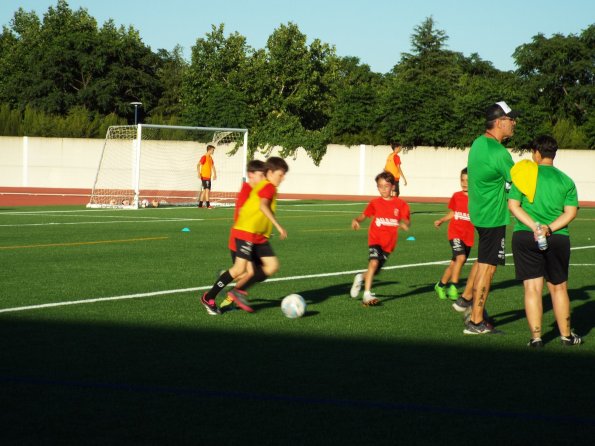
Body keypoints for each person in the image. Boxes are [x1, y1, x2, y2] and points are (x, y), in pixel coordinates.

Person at [508, 135, 582, 347]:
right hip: (557, 237)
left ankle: (536, 337)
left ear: (537, 152)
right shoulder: (565, 180)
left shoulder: (525, 175)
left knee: (532, 288)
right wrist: (549, 228)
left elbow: (514, 205)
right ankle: (566, 336)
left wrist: (534, 226)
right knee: (558, 288)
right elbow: (570, 212)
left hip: (525, 235)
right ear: (554, 154)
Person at [200, 157, 289, 315]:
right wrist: (278, 226)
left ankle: (234, 289)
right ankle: (216, 297)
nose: (282, 178)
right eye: (280, 174)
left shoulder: (264, 187)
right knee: (245, 271)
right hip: (244, 234)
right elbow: (255, 210)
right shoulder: (260, 188)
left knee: (265, 268)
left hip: (256, 235)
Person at [463, 101, 518, 335]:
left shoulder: (478, 143)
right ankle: (475, 321)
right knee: (488, 268)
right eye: (510, 119)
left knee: (483, 262)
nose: (514, 123)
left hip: (479, 213)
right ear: (499, 122)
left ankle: (469, 303)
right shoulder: (499, 153)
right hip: (493, 217)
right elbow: (517, 184)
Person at [350, 171, 410, 305]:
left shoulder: (401, 205)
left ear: (393, 187)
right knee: (373, 263)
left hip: (388, 245)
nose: (383, 189)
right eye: (380, 186)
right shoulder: (375, 203)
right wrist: (357, 220)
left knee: (374, 270)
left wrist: (404, 224)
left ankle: (359, 277)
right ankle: (367, 295)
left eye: (386, 186)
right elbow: (364, 215)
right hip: (375, 239)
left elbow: (406, 221)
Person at [219, 159, 267, 310]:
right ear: (251, 175)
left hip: (250, 239)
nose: (264, 178)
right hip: (240, 240)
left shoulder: (255, 191)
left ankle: (227, 277)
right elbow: (241, 216)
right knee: (251, 273)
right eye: (261, 175)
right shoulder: (246, 192)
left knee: (261, 273)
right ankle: (230, 295)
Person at [434, 168, 476, 302]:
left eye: (468, 181)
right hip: (455, 233)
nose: (464, 183)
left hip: (468, 236)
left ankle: (440, 286)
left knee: (454, 264)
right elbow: (453, 212)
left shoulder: (477, 198)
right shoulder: (456, 196)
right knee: (461, 257)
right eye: (462, 180)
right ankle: (454, 286)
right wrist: (442, 220)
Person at [197, 144, 217, 208]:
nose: (213, 151)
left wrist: (215, 174)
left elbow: (213, 166)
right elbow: (198, 165)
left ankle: (200, 205)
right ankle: (208, 205)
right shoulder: (204, 157)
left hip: (208, 176)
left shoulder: (210, 158)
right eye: (213, 150)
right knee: (207, 190)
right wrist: (198, 173)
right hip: (204, 176)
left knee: (205, 190)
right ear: (210, 150)